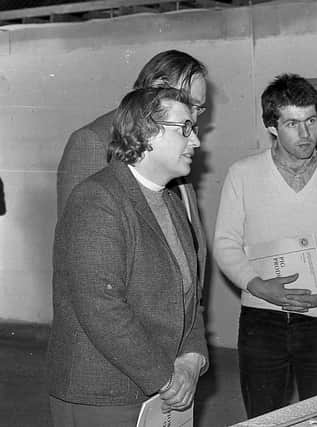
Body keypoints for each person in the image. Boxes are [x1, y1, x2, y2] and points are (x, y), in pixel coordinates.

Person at [47, 87, 209, 426]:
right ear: (147, 132)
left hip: (161, 389)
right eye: (185, 129)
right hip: (104, 396)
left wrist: (191, 360)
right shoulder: (97, 199)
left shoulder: (171, 203)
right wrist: (165, 378)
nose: (195, 142)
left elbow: (188, 298)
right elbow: (101, 309)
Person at [213, 73, 317, 418]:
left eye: (311, 120)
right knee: (264, 417)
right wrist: (257, 286)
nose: (306, 132)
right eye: (293, 123)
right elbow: (225, 243)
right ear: (272, 127)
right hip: (261, 318)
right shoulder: (242, 174)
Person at [56, 49, 208, 223]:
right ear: (158, 86)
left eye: (199, 108)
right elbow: (81, 230)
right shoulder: (92, 141)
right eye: (189, 103)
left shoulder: (177, 138)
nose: (194, 118)